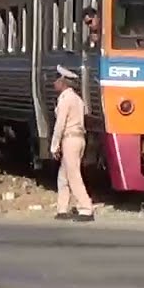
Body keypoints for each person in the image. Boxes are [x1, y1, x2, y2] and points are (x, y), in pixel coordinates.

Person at [50, 64, 94, 222]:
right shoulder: (77, 99)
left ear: (63, 82)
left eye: (56, 80)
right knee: (63, 176)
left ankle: (86, 208)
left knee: (73, 175)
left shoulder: (66, 100)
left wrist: (54, 145)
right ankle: (62, 208)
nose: (53, 83)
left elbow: (60, 124)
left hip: (70, 139)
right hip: (79, 138)